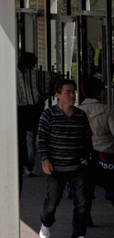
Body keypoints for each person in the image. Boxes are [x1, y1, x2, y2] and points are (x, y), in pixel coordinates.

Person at [37, 78, 93, 238]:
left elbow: (87, 138)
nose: (72, 95)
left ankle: (79, 234)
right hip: (56, 168)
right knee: (52, 202)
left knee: (81, 204)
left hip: (77, 168)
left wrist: (85, 155)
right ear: (58, 95)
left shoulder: (81, 116)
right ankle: (45, 225)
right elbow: (42, 139)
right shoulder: (48, 114)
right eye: (67, 92)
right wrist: (45, 159)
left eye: (73, 91)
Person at [78, 77, 114, 227]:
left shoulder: (78, 111)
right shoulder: (107, 110)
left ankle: (86, 218)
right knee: (111, 187)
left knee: (86, 189)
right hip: (106, 154)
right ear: (98, 92)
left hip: (86, 155)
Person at [17, 52, 45, 176]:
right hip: (34, 111)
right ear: (32, 63)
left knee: (20, 139)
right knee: (30, 139)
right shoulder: (37, 76)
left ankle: (20, 164)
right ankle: (29, 167)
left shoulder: (14, 75)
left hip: (19, 110)